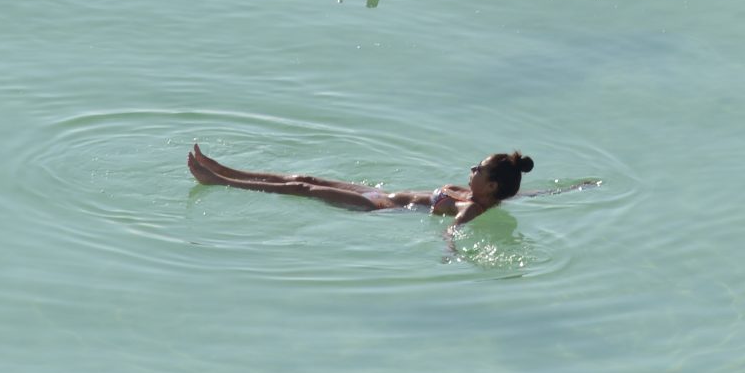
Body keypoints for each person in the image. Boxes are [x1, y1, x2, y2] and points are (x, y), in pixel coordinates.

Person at [187, 143, 538, 226]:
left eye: (479, 168)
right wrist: (570, 188)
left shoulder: (472, 206)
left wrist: (449, 246)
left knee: (303, 191)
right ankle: (225, 169)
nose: (472, 169)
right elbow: (527, 194)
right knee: (304, 178)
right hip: (380, 192)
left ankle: (219, 182)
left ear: (491, 186)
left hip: (379, 206)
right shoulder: (481, 195)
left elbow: (455, 230)